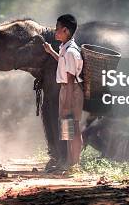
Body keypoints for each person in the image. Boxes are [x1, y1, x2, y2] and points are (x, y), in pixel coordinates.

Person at [43, 14, 84, 174]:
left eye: (57, 28)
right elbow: (62, 62)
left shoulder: (71, 52)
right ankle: (69, 162)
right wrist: (50, 51)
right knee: (68, 127)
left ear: (65, 30)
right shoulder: (64, 48)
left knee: (73, 127)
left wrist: (67, 103)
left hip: (71, 90)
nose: (55, 31)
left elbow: (70, 78)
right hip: (66, 89)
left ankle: (74, 164)